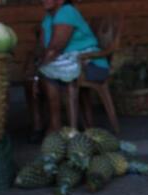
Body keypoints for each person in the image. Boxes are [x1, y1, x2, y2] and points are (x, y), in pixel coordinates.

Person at [27, 0, 110, 136]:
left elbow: (56, 47)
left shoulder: (66, 11)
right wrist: (34, 61)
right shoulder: (48, 17)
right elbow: (41, 46)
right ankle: (39, 126)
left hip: (92, 65)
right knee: (31, 78)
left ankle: (55, 125)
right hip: (68, 61)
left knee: (44, 75)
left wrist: (38, 69)